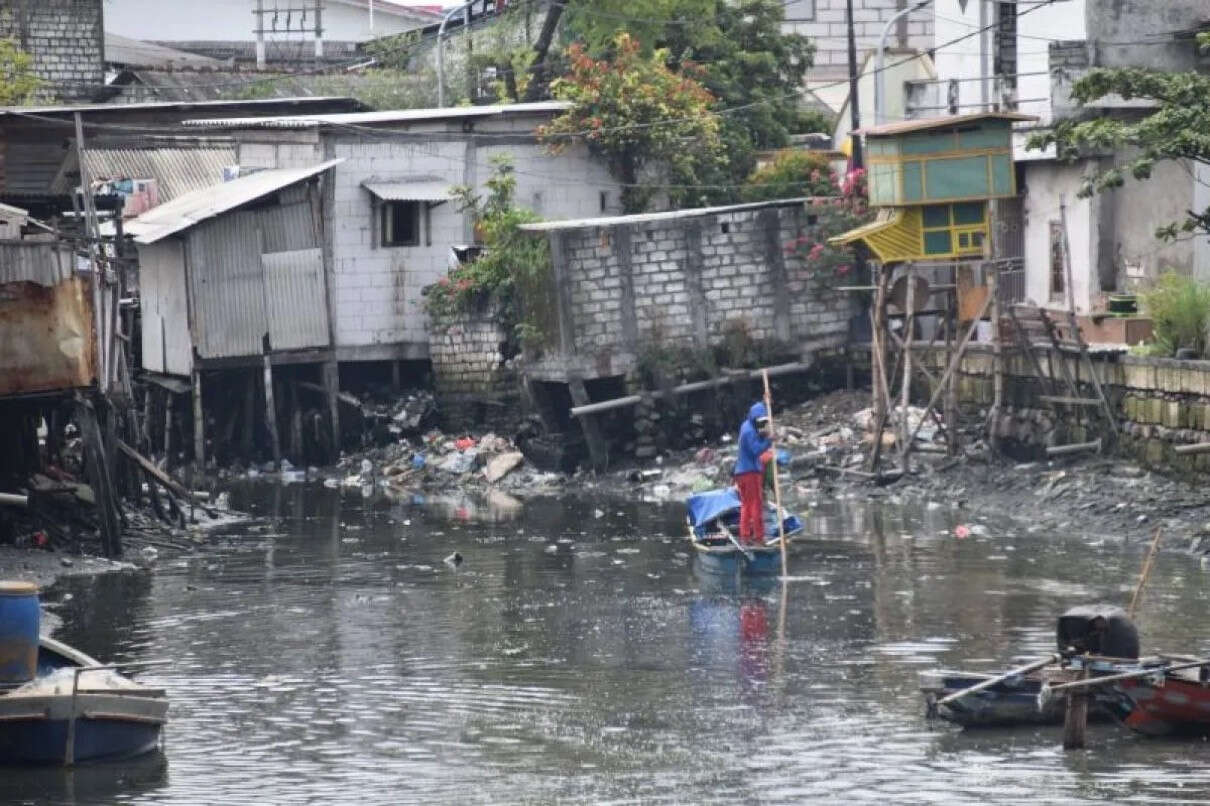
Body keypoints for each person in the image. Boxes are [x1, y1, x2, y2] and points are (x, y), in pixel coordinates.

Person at [734, 402, 774, 545]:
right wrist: (769, 441)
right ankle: (759, 536)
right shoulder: (749, 432)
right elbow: (756, 450)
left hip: (741, 472)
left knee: (746, 504)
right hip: (749, 472)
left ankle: (744, 535)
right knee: (755, 504)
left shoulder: (746, 425)